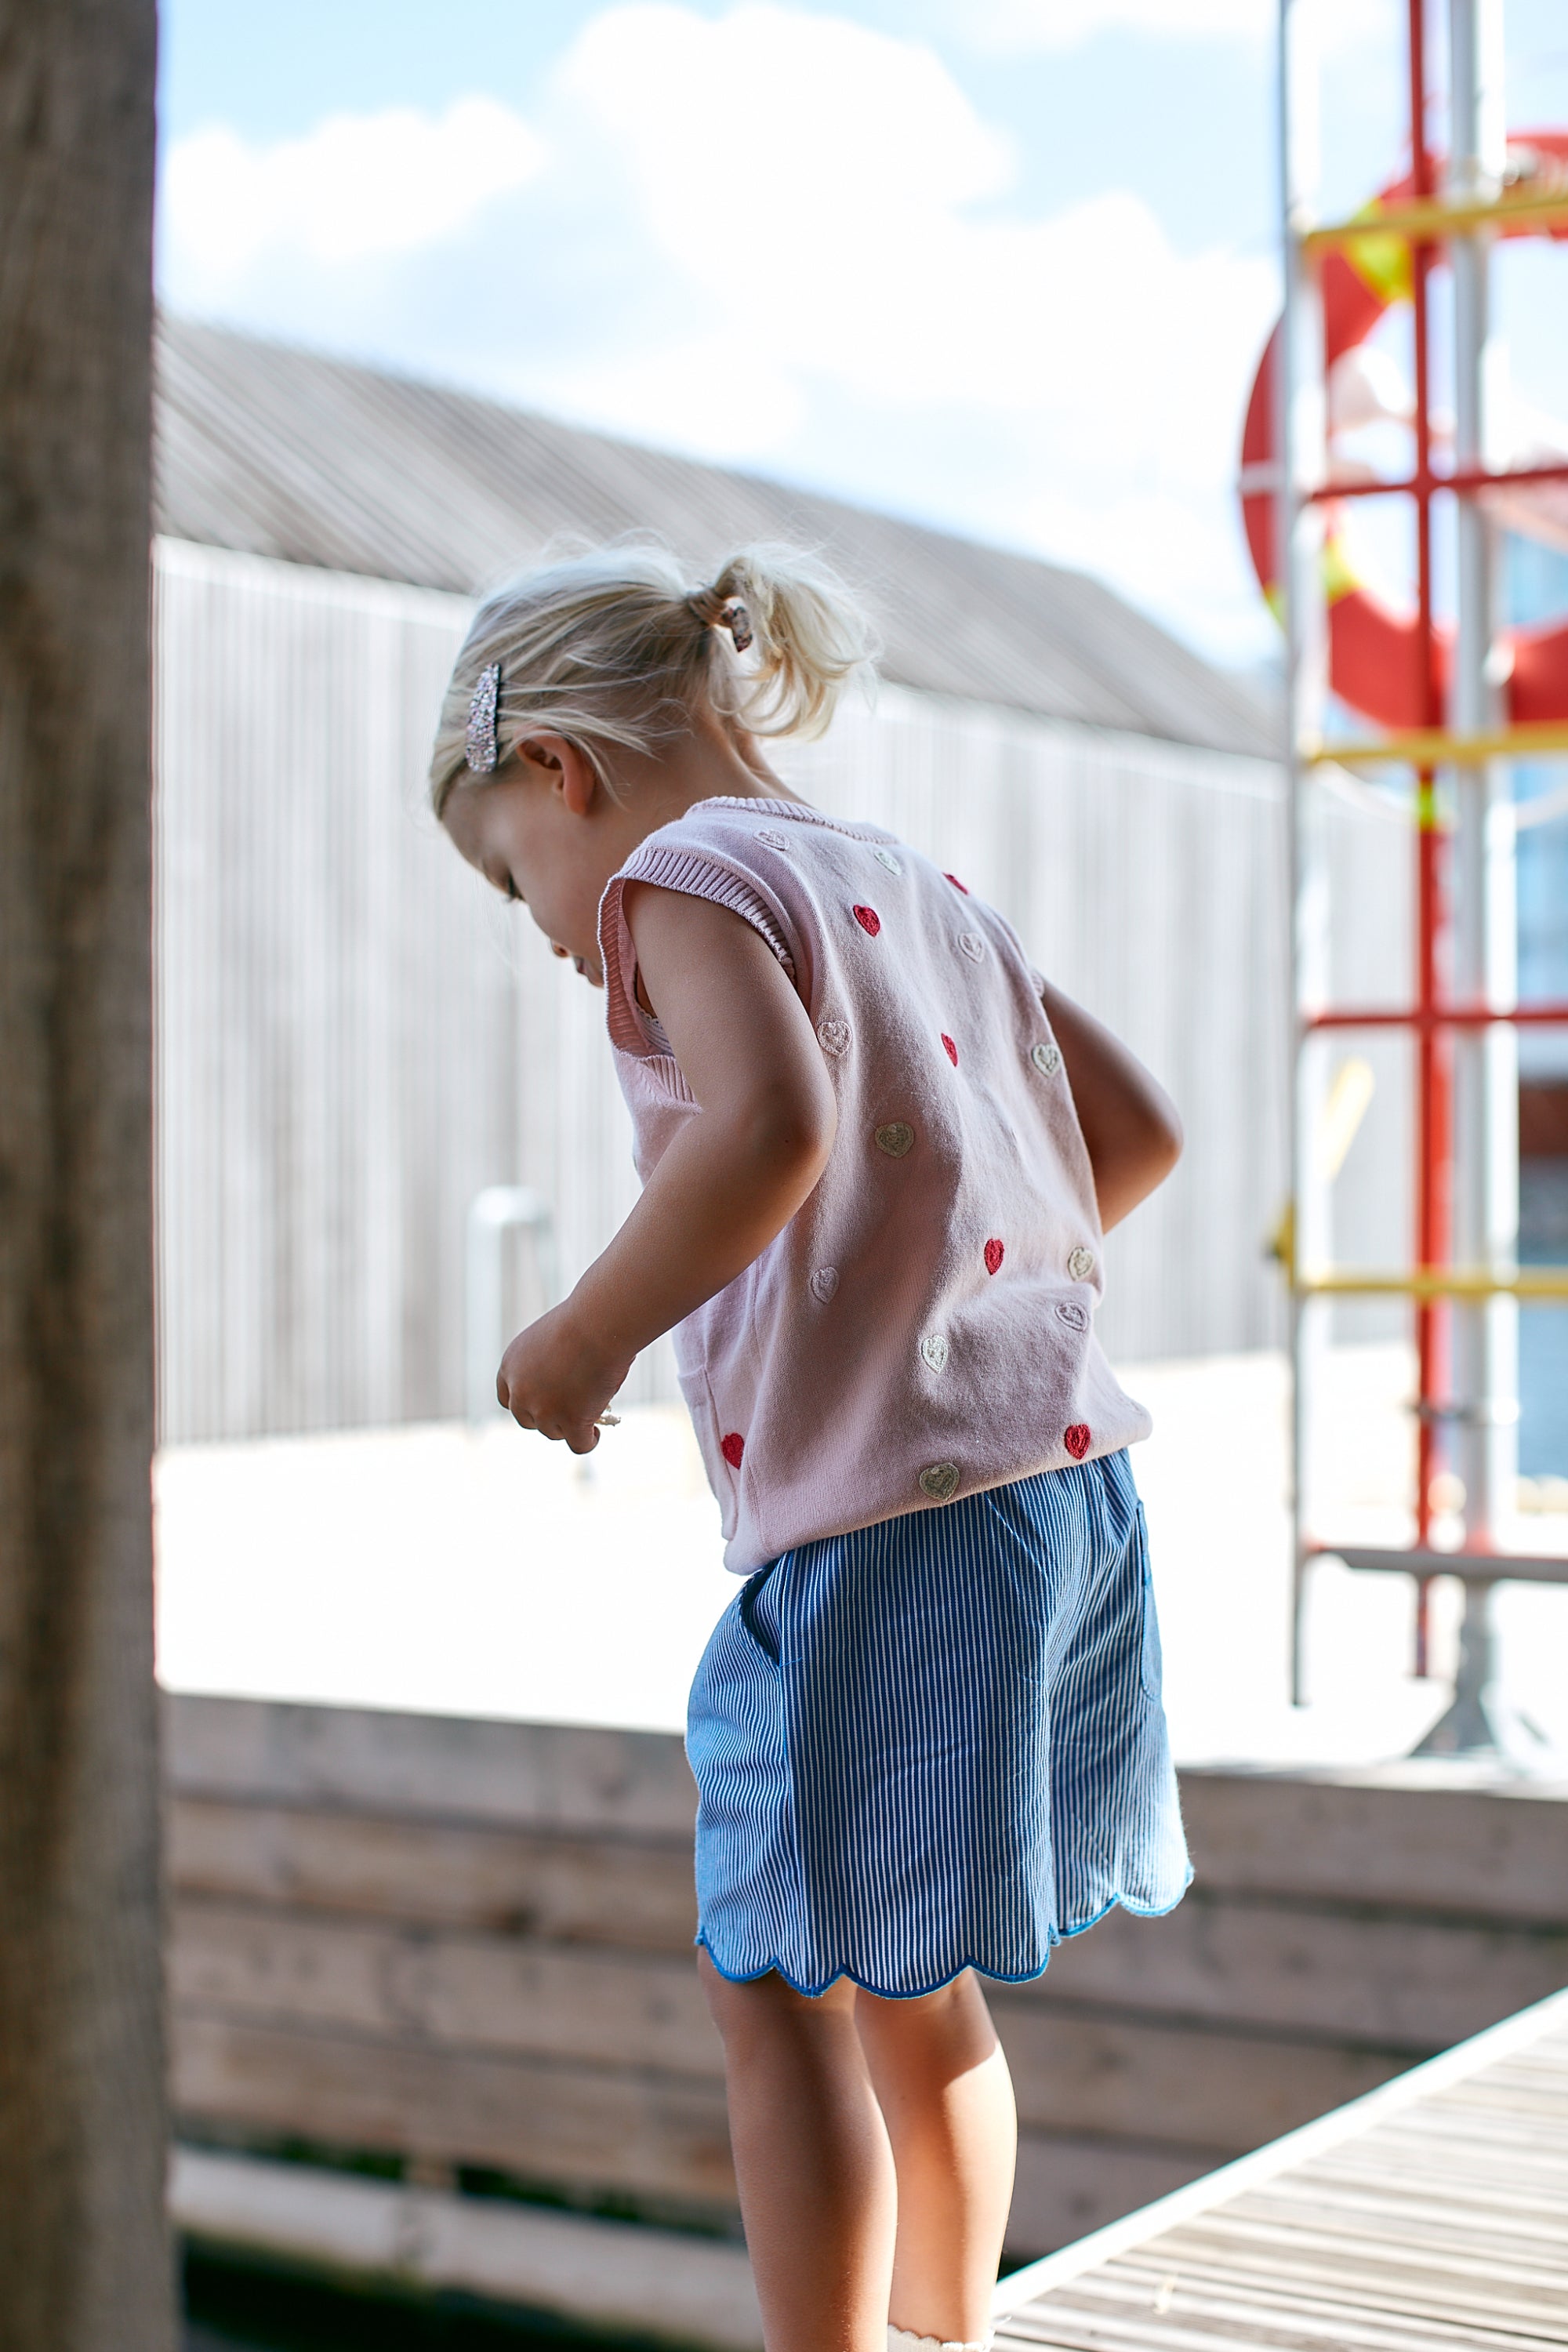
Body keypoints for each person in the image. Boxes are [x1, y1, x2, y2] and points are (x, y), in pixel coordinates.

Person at [430, 541, 1191, 2352]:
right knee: (913, 1988)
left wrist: (584, 1330)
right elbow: (1136, 1131)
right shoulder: (905, 880)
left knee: (771, 1983)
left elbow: (764, 1127)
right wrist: (952, 1276)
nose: (542, 928)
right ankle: (948, 2331)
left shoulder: (681, 875)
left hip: (886, 1526)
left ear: (563, 773)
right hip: (1059, 1489)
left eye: (509, 876)